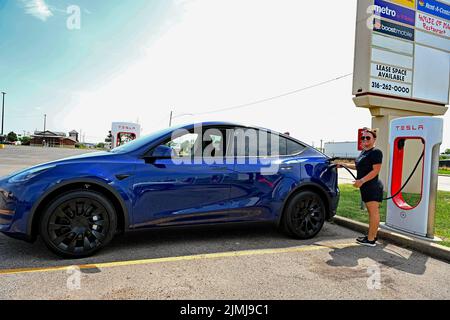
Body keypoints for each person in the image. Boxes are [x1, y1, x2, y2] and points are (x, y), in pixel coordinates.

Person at [337, 128, 383, 247]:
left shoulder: (376, 152)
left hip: (372, 186)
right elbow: (359, 167)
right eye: (363, 138)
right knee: (371, 212)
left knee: (373, 212)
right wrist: (344, 165)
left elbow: (376, 170)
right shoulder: (364, 152)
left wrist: (361, 180)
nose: (365, 139)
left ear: (374, 139)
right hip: (366, 186)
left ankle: (371, 239)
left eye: (368, 137)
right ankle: (371, 235)